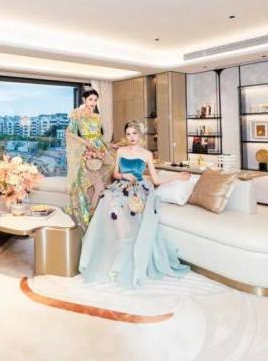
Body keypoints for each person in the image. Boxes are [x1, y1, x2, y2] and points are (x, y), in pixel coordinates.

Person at [79, 120, 190, 288]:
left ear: (140, 135)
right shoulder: (121, 151)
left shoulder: (147, 154)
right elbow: (115, 174)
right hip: (121, 186)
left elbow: (156, 180)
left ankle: (128, 253)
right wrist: (124, 176)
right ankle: (114, 250)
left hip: (138, 189)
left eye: (134, 133)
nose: (131, 137)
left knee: (128, 210)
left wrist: (177, 177)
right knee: (107, 199)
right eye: (128, 134)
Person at [65, 89, 116, 232]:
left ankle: (92, 216)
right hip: (86, 151)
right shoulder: (77, 114)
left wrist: (109, 145)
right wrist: (85, 142)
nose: (93, 102)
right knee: (90, 185)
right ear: (84, 99)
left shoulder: (97, 117)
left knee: (96, 185)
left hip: (98, 151)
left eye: (95, 100)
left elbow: (99, 137)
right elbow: (69, 133)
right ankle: (89, 216)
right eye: (90, 99)